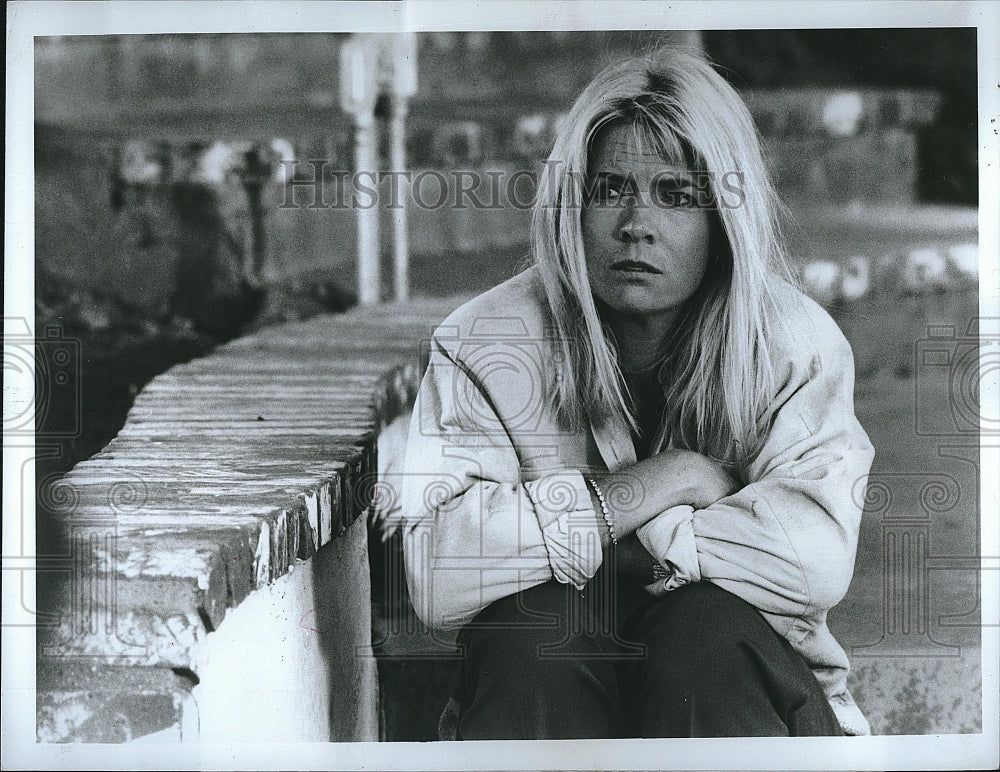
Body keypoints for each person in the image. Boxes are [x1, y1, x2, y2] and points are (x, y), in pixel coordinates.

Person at [398, 46, 875, 739]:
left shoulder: (793, 343)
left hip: (736, 699)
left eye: (676, 195)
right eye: (610, 187)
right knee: (537, 637)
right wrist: (666, 482)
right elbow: (438, 576)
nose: (636, 225)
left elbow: (815, 562)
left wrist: (597, 539)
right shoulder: (483, 342)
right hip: (542, 698)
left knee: (702, 631)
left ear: (722, 219)